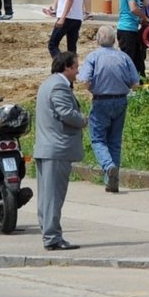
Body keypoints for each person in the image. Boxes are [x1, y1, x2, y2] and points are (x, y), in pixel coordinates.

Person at [34, 50, 88, 251]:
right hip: (56, 149)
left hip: (47, 148)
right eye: (75, 66)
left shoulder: (49, 83)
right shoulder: (58, 86)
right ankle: (52, 237)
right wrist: (83, 120)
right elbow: (66, 113)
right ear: (66, 67)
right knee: (53, 197)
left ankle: (49, 234)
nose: (77, 71)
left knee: (47, 197)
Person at [77, 25, 139, 192]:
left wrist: (92, 90)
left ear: (98, 39)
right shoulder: (124, 57)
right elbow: (135, 83)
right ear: (114, 40)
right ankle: (113, 179)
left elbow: (84, 80)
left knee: (97, 139)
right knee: (115, 141)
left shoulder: (93, 57)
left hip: (101, 101)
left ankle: (108, 165)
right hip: (120, 101)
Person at [116, 0, 149, 73]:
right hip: (127, 30)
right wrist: (144, 17)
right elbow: (133, 8)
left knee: (138, 63)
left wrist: (140, 20)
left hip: (131, 29)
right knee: (129, 62)